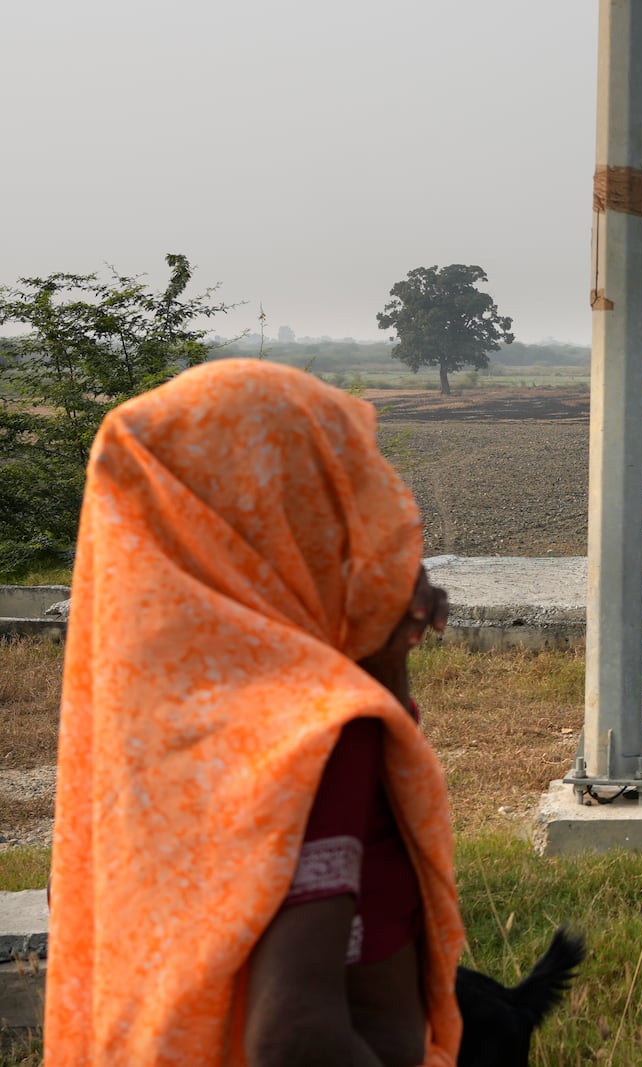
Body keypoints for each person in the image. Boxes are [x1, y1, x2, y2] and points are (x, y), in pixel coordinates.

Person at [45, 360, 466, 1066]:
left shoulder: (155, 719)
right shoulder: (313, 734)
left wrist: (382, 657)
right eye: (343, 487)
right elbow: (296, 1037)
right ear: (284, 516)